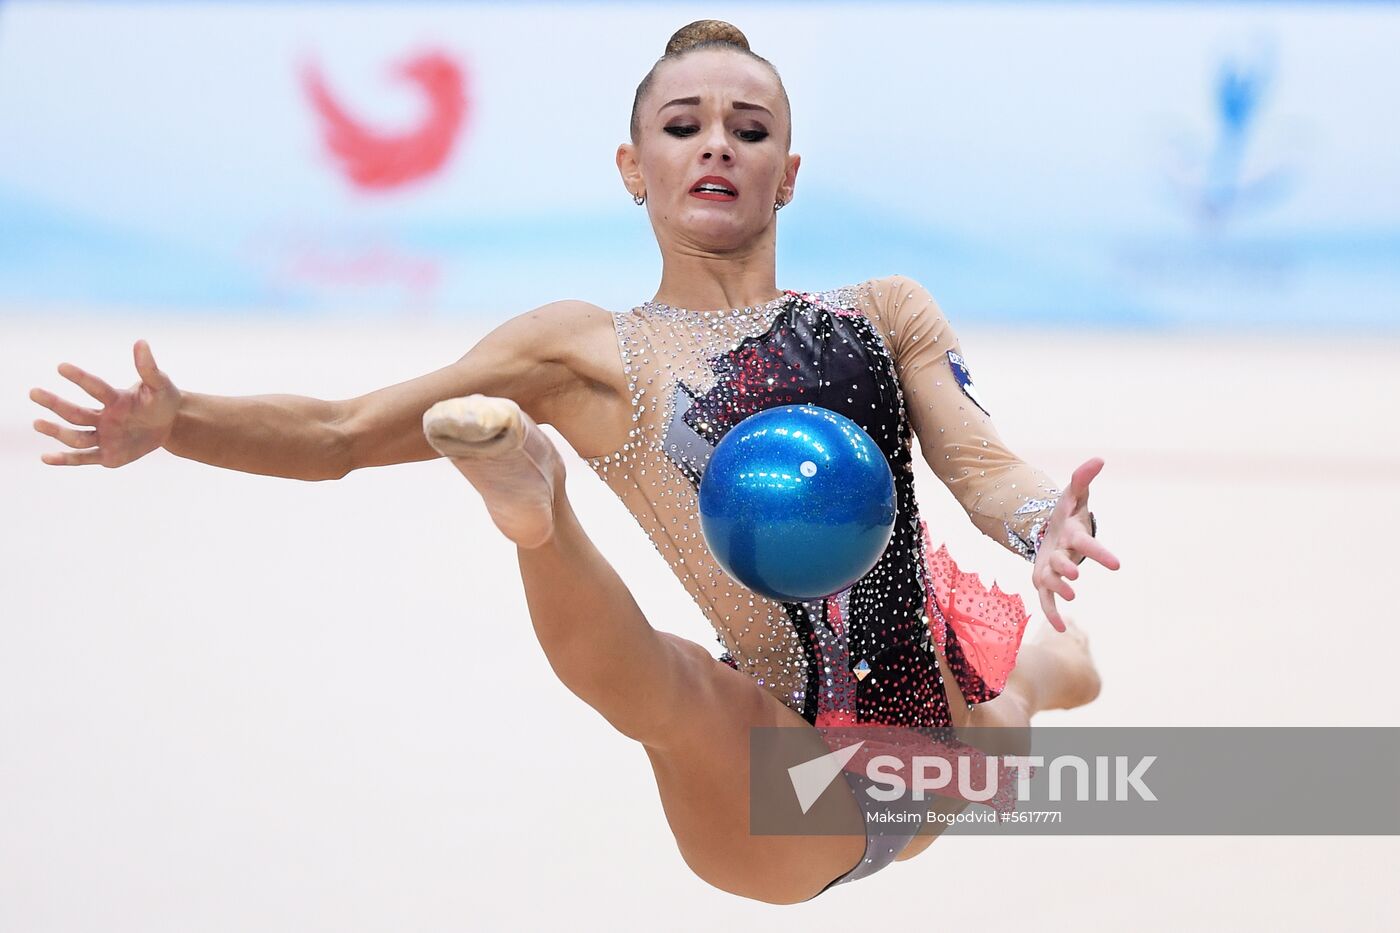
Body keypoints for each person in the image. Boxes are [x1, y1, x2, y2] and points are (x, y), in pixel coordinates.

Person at [29, 20, 1120, 904]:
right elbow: (340, 435)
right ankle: (537, 509)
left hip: (927, 763)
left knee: (1045, 677)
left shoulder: (882, 313)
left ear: (785, 176)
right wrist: (181, 420)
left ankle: (1028, 679)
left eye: (747, 129)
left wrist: (1042, 525)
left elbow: (981, 465)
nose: (715, 146)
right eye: (683, 125)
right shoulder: (586, 351)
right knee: (677, 689)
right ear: (630, 166)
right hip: (775, 793)